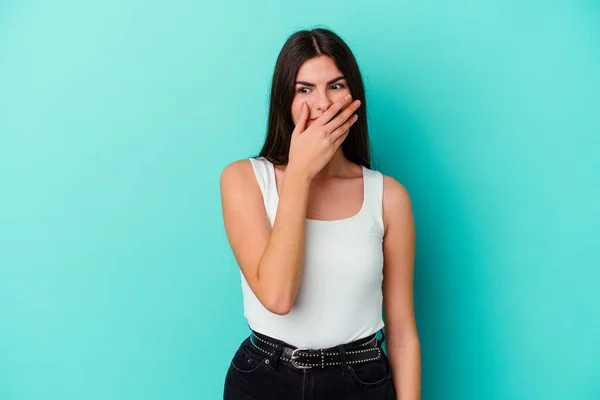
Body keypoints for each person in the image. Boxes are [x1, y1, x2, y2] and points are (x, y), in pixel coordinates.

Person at [220, 28, 420, 399]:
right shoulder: (244, 180)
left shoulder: (388, 197)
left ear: (353, 96)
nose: (324, 104)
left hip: (360, 381)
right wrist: (299, 174)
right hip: (264, 378)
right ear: (285, 100)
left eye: (336, 85)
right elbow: (277, 297)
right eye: (304, 89)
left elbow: (402, 328)